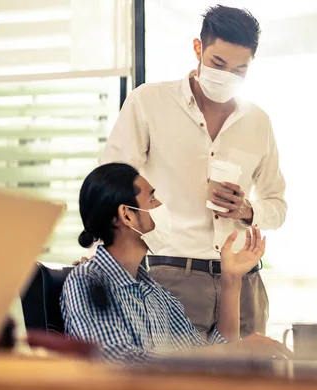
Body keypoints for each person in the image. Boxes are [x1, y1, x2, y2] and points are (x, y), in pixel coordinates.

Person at [98, 5, 286, 338]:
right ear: (198, 48)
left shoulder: (259, 121)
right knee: (178, 387)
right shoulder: (148, 103)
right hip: (172, 277)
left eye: (239, 69)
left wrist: (248, 210)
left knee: (248, 387)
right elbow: (110, 182)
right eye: (218, 64)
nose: (227, 75)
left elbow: (277, 206)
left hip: (244, 282)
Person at [61, 163, 289, 363]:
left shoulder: (156, 294)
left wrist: (231, 280)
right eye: (151, 198)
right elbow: (120, 362)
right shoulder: (86, 281)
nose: (160, 205)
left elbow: (207, 357)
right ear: (127, 215)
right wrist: (235, 351)